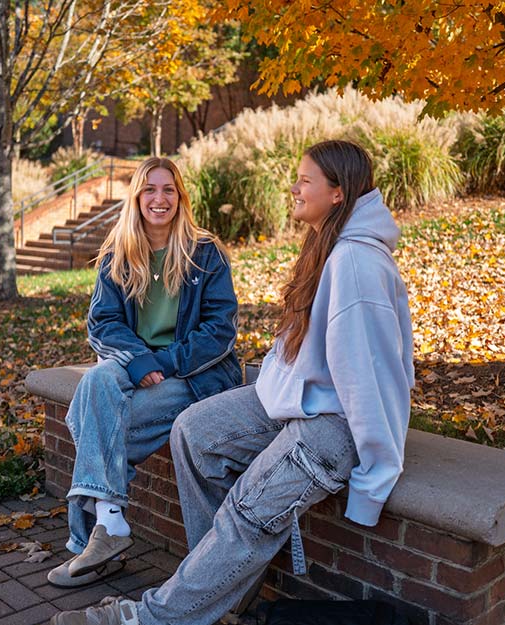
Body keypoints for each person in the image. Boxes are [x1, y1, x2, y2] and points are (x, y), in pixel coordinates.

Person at [50, 139, 415, 625]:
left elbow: (374, 382)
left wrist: (373, 482)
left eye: (304, 180)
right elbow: (106, 323)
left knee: (247, 512)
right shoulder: (327, 244)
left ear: (337, 192)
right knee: (188, 430)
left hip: (329, 423)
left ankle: (153, 616)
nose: (293, 188)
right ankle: (210, 591)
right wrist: (138, 360)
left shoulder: (353, 262)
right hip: (292, 400)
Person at [46, 156, 242, 588]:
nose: (159, 198)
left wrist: (164, 362)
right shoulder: (118, 254)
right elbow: (103, 323)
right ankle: (110, 523)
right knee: (97, 382)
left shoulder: (205, 254)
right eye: (150, 190)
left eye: (168, 189)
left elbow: (219, 331)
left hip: (194, 376)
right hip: (137, 370)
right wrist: (137, 358)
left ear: (180, 197)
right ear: (136, 197)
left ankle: (93, 540)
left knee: (90, 420)